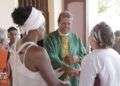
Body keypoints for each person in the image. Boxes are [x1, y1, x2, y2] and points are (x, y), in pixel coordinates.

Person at [10, 6, 70, 86]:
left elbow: (27, 75)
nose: (44, 29)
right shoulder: (38, 52)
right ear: (37, 27)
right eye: (43, 25)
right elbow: (55, 84)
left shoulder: (15, 46)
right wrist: (67, 83)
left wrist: (60, 71)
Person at [44, 11, 86, 86]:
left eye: (69, 23)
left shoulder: (75, 38)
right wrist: (67, 68)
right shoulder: (50, 38)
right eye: (63, 23)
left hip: (74, 79)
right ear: (58, 23)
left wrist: (77, 58)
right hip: (57, 76)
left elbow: (85, 56)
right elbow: (51, 57)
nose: (66, 26)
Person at [80, 22, 120, 86]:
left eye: (91, 34)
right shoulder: (116, 55)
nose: (89, 37)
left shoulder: (90, 58)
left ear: (94, 39)